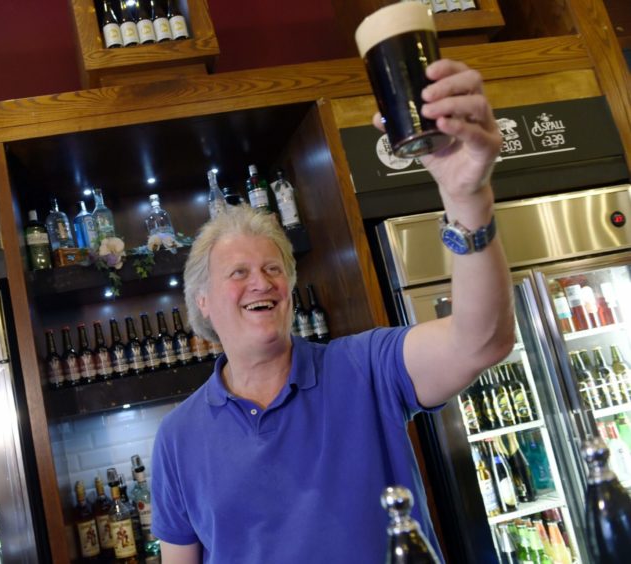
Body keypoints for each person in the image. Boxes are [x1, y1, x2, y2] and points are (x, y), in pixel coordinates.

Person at [150, 59, 513, 563]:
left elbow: (483, 340)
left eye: (274, 269)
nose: (262, 282)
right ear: (203, 303)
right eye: (238, 273)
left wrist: (466, 197)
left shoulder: (364, 367)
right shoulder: (176, 438)